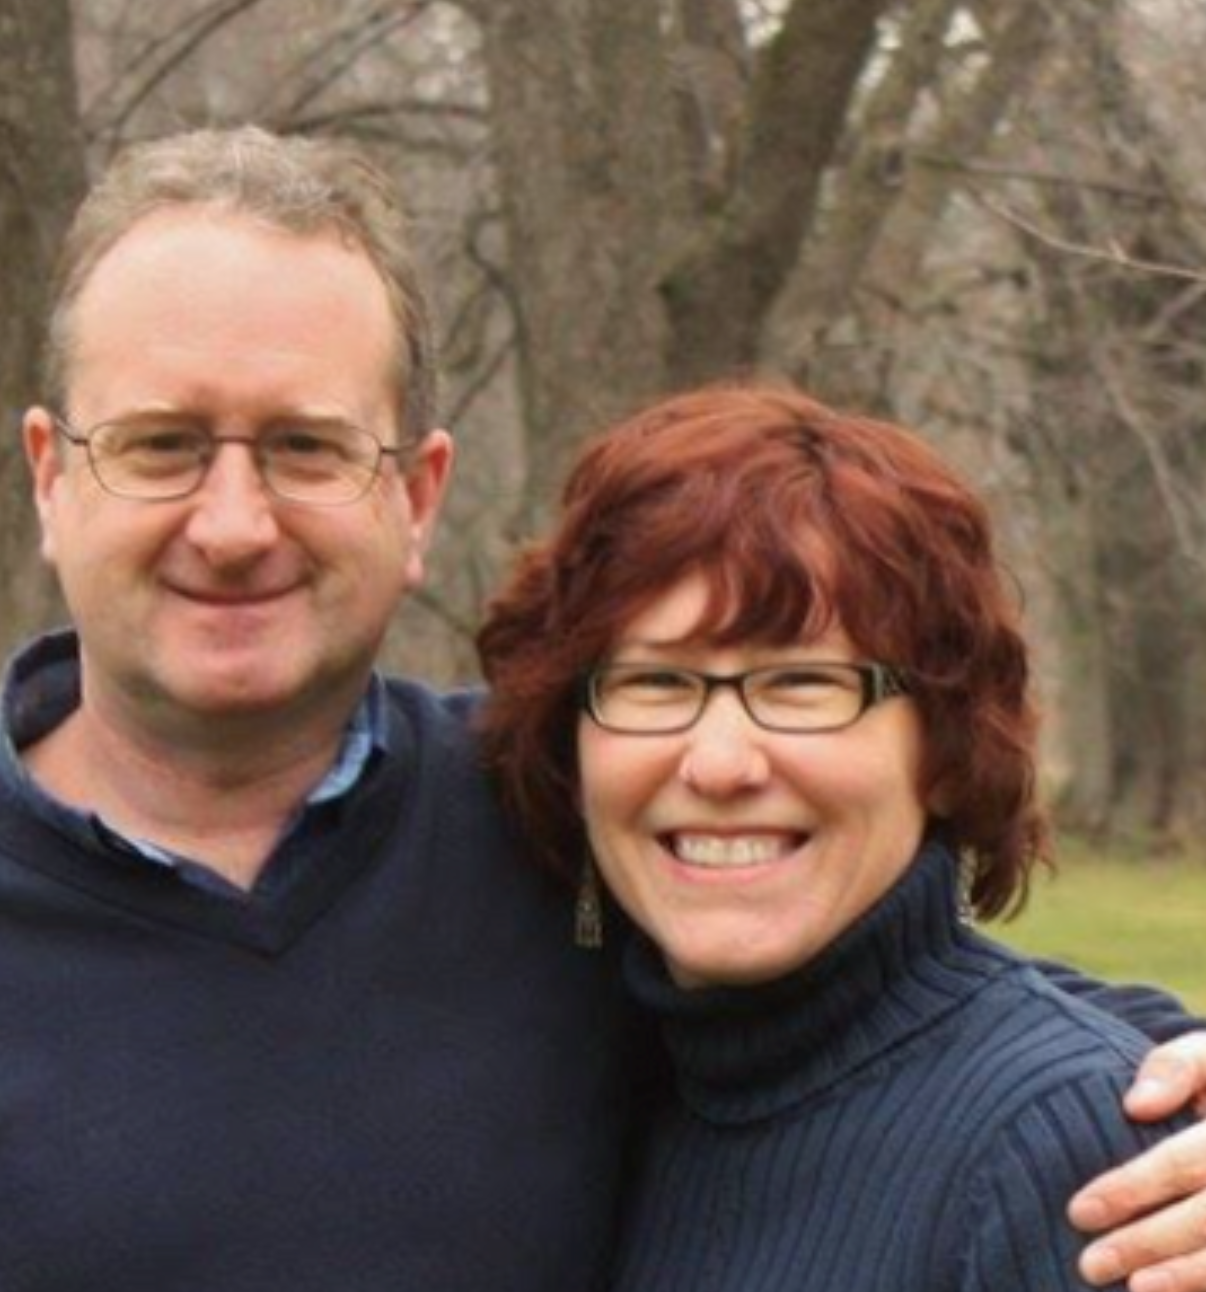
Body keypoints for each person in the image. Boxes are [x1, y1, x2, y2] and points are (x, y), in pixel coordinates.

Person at [0, 129, 1199, 1291]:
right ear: (53, 475)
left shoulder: (543, 831)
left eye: (307, 446)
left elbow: (887, 1010)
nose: (234, 523)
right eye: (164, 444)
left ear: (416, 494)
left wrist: (1162, 1094)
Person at [476, 383, 1203, 1290]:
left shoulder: (1079, 1156)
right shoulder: (593, 1102)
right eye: (655, 684)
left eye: (802, 685)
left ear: (941, 749)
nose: (720, 763)